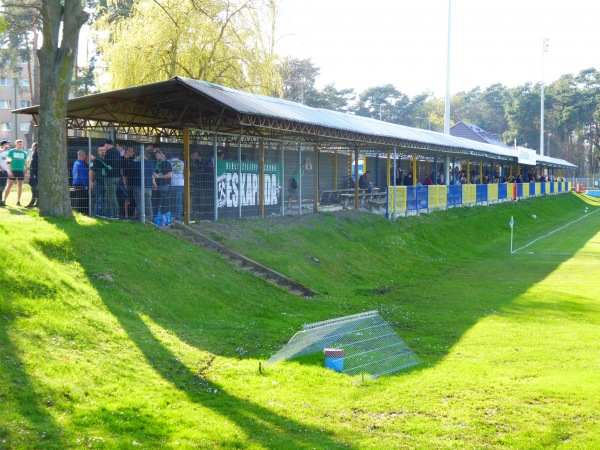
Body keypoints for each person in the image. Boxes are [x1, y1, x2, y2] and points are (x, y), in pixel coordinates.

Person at [131, 150, 156, 221]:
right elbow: (151, 174)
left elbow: (130, 169)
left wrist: (135, 159)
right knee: (148, 203)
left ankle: (141, 219)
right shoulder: (151, 164)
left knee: (139, 202)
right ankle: (149, 219)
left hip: (138, 185)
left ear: (143, 155)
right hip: (148, 186)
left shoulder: (138, 162)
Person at [3, 139, 29, 206]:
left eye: (22, 144)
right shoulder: (11, 151)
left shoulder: (24, 153)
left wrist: (26, 173)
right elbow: (8, 162)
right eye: (19, 144)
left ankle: (18, 201)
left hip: (21, 171)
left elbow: (26, 164)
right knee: (9, 185)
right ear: (16, 144)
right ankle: (4, 200)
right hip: (13, 171)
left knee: (20, 186)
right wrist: (9, 171)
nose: (21, 145)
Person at [103, 139, 121, 218]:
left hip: (110, 177)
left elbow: (105, 164)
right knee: (108, 194)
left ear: (107, 145)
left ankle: (115, 213)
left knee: (111, 195)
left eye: (105, 145)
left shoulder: (109, 153)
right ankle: (108, 212)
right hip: (117, 177)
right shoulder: (117, 152)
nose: (104, 147)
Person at [152, 149, 172, 221]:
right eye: (155, 155)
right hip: (156, 186)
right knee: (156, 202)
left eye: (157, 155)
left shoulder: (166, 163)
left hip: (164, 185)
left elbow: (170, 175)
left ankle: (165, 218)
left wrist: (159, 176)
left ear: (162, 155)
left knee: (164, 202)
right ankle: (156, 217)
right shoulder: (155, 163)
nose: (156, 157)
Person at [89, 145, 108, 217]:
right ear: (98, 152)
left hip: (108, 183)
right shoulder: (96, 161)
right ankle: (97, 214)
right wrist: (91, 182)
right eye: (101, 150)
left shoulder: (108, 160)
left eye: (104, 150)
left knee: (106, 199)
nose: (103, 151)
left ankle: (104, 214)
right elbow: (91, 171)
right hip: (99, 182)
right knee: (99, 199)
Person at [71, 149, 90, 214]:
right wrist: (86, 185)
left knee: (78, 198)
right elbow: (84, 176)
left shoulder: (75, 163)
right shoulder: (81, 164)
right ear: (84, 155)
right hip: (81, 184)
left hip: (75, 183)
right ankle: (83, 213)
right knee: (83, 200)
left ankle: (78, 213)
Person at [168, 152, 184, 221]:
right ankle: (178, 217)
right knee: (179, 201)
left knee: (172, 200)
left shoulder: (168, 162)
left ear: (171, 155)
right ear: (178, 156)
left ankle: (172, 215)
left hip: (172, 183)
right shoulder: (182, 162)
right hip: (180, 183)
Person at [25, 142, 39, 208]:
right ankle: (37, 203)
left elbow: (35, 165)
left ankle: (33, 203)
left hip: (35, 174)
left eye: (33, 146)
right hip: (34, 173)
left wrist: (32, 174)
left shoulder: (36, 154)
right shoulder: (35, 154)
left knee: (34, 189)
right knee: (36, 188)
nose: (32, 148)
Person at [0, 139, 10, 207]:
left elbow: (8, 161)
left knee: (2, 187)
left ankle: (1, 201)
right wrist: (1, 168)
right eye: (7, 143)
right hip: (1, 171)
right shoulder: (1, 151)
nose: (8, 145)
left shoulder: (7, 152)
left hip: (6, 171)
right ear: (3, 144)